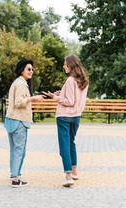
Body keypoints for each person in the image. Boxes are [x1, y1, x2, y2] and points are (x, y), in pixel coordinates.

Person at [43, 54, 89, 187]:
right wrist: (60, 93)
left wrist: (56, 98)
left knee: (64, 146)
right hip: (76, 117)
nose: (64, 66)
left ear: (70, 65)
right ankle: (74, 172)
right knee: (71, 144)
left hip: (64, 117)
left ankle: (68, 177)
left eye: (65, 64)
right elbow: (76, 98)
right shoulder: (84, 81)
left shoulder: (70, 80)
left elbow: (69, 101)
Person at [5, 58, 45, 188]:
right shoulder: (22, 84)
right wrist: (34, 98)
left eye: (32, 69)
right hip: (19, 121)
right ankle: (16, 179)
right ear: (22, 70)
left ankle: (14, 174)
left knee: (14, 150)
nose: (31, 71)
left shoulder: (16, 82)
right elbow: (18, 102)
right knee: (19, 150)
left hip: (11, 120)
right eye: (29, 69)